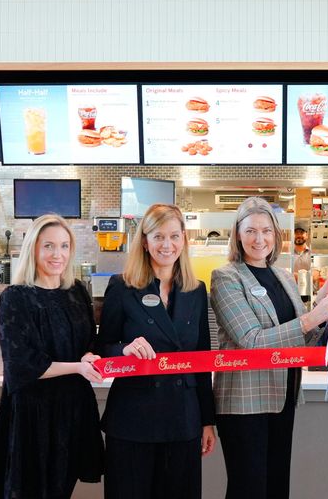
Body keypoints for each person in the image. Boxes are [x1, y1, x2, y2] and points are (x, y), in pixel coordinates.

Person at [210, 196, 328, 499]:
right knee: (249, 488)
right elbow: (251, 341)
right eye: (251, 231)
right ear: (237, 235)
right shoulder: (226, 277)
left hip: (283, 395)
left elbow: (300, 339)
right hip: (245, 402)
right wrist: (312, 317)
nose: (260, 239)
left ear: (276, 235)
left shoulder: (283, 276)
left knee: (276, 485)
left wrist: (322, 307)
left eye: (267, 231)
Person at [97, 203, 216, 499]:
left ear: (184, 240)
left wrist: (207, 421)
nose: (167, 245)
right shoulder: (122, 287)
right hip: (133, 420)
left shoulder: (196, 290)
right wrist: (125, 349)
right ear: (145, 241)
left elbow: (201, 359)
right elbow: (100, 349)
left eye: (174, 236)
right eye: (159, 236)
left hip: (183, 419)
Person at [0, 214, 104, 499]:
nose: (57, 254)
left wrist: (90, 355)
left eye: (64, 246)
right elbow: (21, 364)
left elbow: (90, 343)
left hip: (74, 410)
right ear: (33, 249)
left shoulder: (76, 293)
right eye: (48, 246)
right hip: (34, 415)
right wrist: (78, 366)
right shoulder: (16, 297)